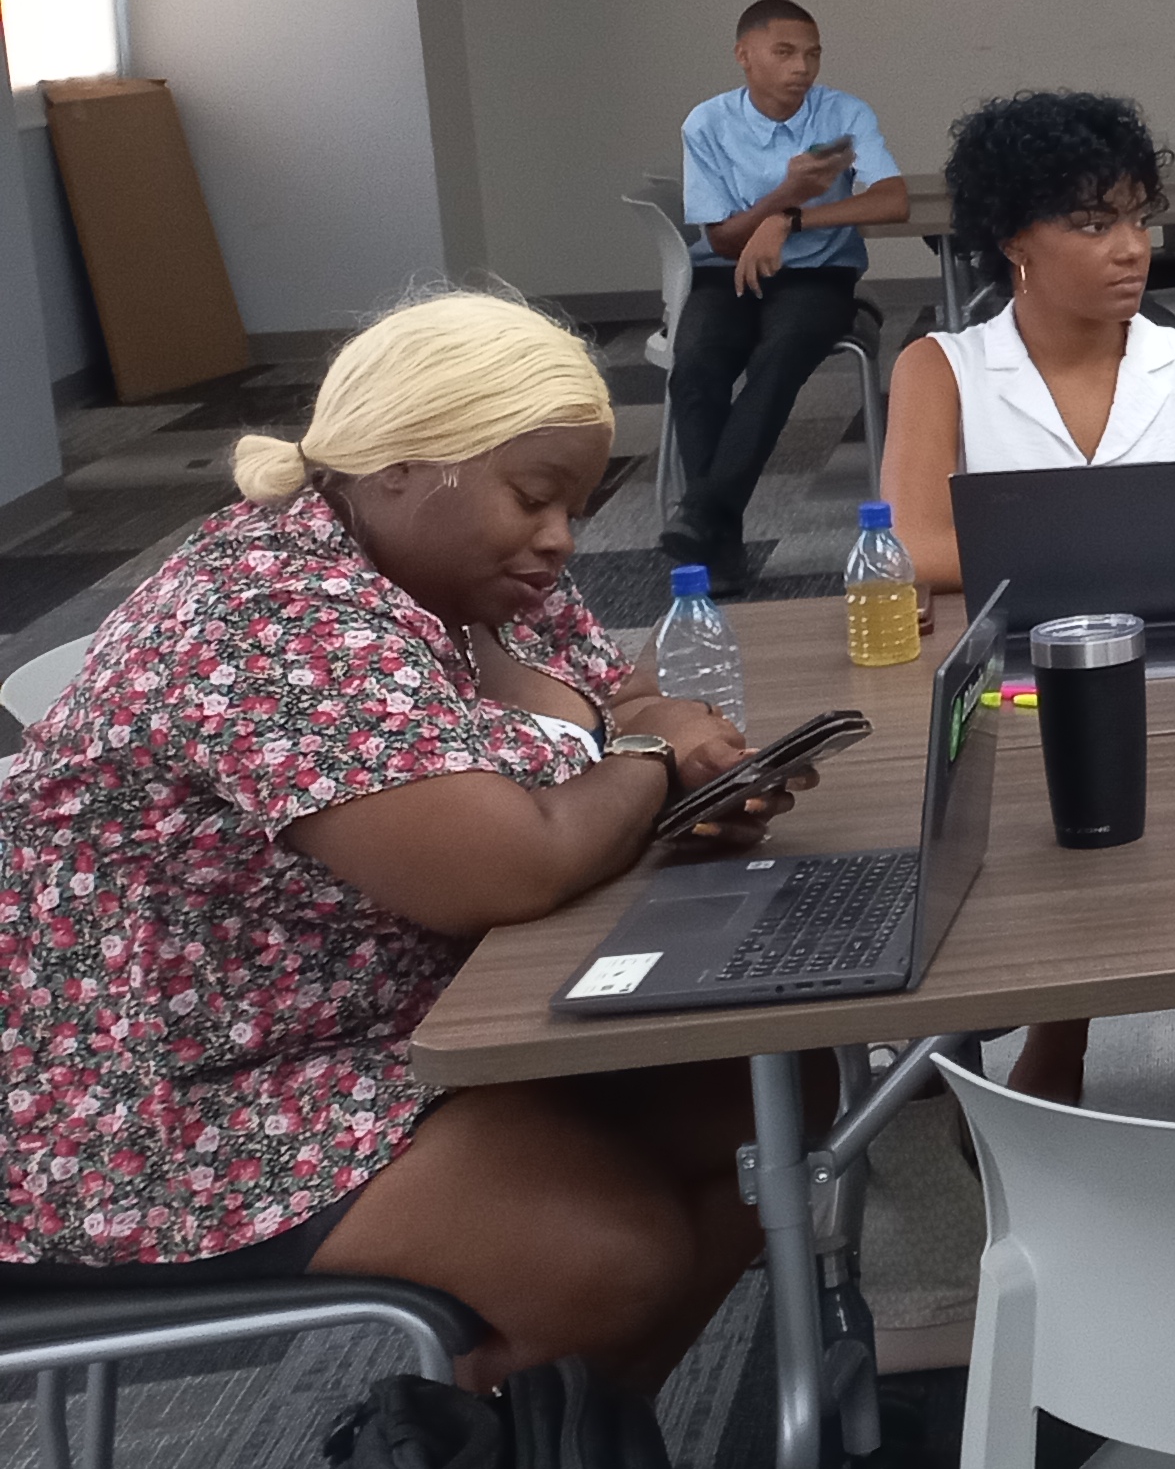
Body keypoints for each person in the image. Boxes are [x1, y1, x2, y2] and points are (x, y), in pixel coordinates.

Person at [0, 290, 818, 1388]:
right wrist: (650, 761)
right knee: (608, 1256)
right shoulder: (272, 614)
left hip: (381, 1009)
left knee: (766, 1095)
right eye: (535, 498)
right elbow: (512, 866)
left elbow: (614, 700)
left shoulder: (466, 578)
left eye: (576, 505)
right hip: (150, 1104)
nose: (561, 539)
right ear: (397, 465)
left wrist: (671, 753)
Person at [878, 92, 1175, 1127]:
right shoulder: (944, 369)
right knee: (1047, 797)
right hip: (1013, 680)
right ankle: (1066, 1022)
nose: (1132, 248)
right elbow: (912, 547)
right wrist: (1125, 556)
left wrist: (1040, 555)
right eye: (1093, 224)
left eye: (1139, 218)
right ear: (1014, 241)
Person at [667, 0, 905, 594]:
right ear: (745, 57)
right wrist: (785, 195)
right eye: (786, 52)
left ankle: (702, 519)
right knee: (696, 365)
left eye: (813, 53)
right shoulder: (708, 123)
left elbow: (892, 200)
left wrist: (794, 219)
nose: (803, 66)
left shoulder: (842, 117)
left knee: (782, 354)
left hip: (817, 275)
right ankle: (720, 542)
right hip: (728, 272)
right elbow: (722, 240)